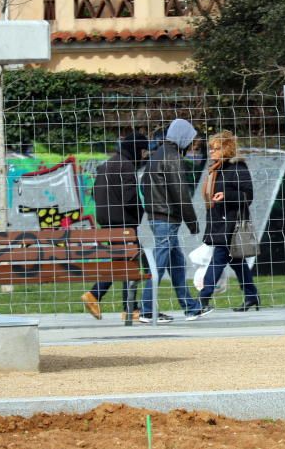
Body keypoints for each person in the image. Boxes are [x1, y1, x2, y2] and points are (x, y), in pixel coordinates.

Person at [139, 118, 207, 323]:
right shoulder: (173, 158)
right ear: (182, 137)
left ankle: (191, 307)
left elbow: (144, 185)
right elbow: (181, 194)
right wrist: (193, 222)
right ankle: (147, 310)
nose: (191, 144)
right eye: (190, 139)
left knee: (177, 263)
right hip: (167, 218)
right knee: (159, 264)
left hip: (157, 217)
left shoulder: (157, 155)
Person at [187, 130, 260, 320]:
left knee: (218, 260)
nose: (211, 152)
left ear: (227, 149)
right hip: (219, 222)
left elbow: (248, 196)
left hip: (231, 225)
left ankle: (203, 298)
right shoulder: (216, 169)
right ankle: (251, 295)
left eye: (216, 148)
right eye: (210, 148)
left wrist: (226, 196)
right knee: (237, 261)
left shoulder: (238, 168)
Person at [80, 131, 149, 323]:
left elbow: (94, 193)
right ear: (136, 149)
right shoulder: (125, 166)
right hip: (123, 223)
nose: (144, 156)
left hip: (107, 221)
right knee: (134, 261)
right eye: (143, 152)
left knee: (124, 262)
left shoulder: (107, 164)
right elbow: (130, 198)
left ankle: (124, 306)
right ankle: (104, 298)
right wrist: (140, 213)